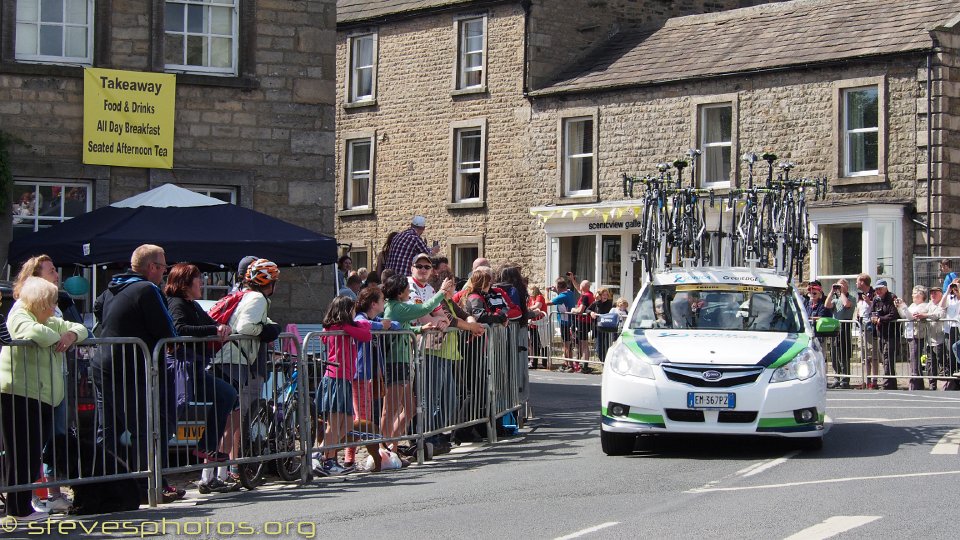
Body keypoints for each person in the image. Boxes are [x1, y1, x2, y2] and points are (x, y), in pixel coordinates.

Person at [92, 244, 182, 502]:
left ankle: (105, 487)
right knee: (144, 427)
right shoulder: (147, 289)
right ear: (152, 267)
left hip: (104, 363)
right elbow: (167, 331)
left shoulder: (113, 287)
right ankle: (148, 486)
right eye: (164, 267)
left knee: (106, 429)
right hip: (130, 366)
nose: (165, 272)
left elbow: (99, 309)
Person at [1, 277, 86, 521]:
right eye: (50, 302)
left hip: (43, 395)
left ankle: (22, 505)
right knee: (21, 453)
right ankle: (18, 508)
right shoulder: (20, 314)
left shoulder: (47, 318)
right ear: (39, 301)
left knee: (32, 452)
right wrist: (59, 337)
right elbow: (31, 332)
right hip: (19, 392)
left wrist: (69, 335)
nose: (53, 307)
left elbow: (80, 329)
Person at [163, 264, 240, 493]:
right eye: (198, 280)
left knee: (227, 394)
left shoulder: (192, 304)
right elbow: (179, 328)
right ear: (186, 283)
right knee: (170, 419)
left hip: (193, 369)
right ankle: (156, 474)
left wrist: (219, 328)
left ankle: (206, 446)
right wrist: (213, 330)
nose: (202, 283)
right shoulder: (176, 303)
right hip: (179, 369)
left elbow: (210, 322)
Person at [209, 258, 282, 488]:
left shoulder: (246, 295)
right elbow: (246, 327)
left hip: (228, 359)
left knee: (226, 420)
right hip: (235, 361)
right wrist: (267, 330)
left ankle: (215, 475)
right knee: (229, 421)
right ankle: (214, 475)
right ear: (268, 283)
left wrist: (270, 325)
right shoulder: (258, 298)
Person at [382, 274, 455, 461]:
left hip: (403, 361)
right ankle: (383, 450)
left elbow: (401, 327)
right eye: (407, 288)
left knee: (411, 406)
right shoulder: (397, 306)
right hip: (395, 362)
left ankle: (393, 445)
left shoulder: (397, 307)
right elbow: (424, 308)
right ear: (400, 293)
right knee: (390, 409)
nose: (409, 290)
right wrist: (441, 292)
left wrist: (418, 330)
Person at [343, 287, 400, 471]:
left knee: (365, 417)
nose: (384, 303)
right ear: (373, 304)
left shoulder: (373, 319)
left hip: (372, 374)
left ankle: (369, 454)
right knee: (362, 419)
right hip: (360, 374)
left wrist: (386, 324)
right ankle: (349, 458)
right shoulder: (361, 318)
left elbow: (395, 325)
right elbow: (360, 325)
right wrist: (381, 325)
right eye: (382, 300)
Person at [315, 296, 371, 476]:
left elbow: (364, 330)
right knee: (334, 423)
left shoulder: (341, 327)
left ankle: (319, 453)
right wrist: (353, 325)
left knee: (346, 424)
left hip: (344, 378)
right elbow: (366, 334)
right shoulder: (341, 327)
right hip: (336, 378)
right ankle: (327, 460)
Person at [896, 286, 942, 391]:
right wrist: (899, 307)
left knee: (915, 361)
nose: (912, 295)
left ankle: (915, 385)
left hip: (917, 335)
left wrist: (903, 305)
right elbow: (904, 315)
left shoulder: (923, 306)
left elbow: (911, 317)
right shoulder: (912, 305)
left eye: (915, 293)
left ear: (921, 295)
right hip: (909, 334)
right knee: (912, 360)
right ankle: (917, 384)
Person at [870, 280, 899, 390]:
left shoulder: (892, 298)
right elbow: (872, 313)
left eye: (880, 289)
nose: (878, 291)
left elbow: (893, 314)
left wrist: (880, 319)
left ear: (886, 288)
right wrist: (873, 318)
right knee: (883, 357)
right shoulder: (876, 299)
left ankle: (888, 383)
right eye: (876, 289)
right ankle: (890, 382)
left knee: (888, 357)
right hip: (880, 333)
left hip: (891, 333)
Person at [828, 279, 856, 389]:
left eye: (842, 285)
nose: (839, 287)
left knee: (844, 355)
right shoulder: (835, 298)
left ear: (847, 287)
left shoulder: (851, 297)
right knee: (834, 354)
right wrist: (831, 292)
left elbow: (846, 304)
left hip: (845, 327)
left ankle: (845, 379)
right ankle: (836, 378)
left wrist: (842, 293)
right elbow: (827, 305)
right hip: (835, 328)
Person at [854, 273, 879, 389]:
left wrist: (869, 301)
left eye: (857, 281)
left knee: (872, 355)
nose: (856, 283)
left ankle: (874, 380)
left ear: (863, 282)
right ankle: (865, 379)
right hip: (862, 327)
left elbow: (877, 308)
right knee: (864, 355)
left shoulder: (874, 294)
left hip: (870, 327)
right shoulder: (860, 295)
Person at [548, 278, 578, 371]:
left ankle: (568, 364)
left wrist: (546, 292)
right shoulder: (570, 293)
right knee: (568, 343)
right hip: (570, 320)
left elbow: (547, 303)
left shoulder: (562, 296)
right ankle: (568, 362)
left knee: (566, 343)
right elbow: (562, 300)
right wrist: (557, 291)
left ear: (558, 287)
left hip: (565, 321)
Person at [587, 288, 615, 368]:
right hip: (597, 328)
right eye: (603, 295)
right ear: (599, 295)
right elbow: (587, 309)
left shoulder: (610, 304)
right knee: (598, 348)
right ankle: (603, 362)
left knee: (606, 346)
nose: (605, 296)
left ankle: (606, 364)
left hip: (606, 328)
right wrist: (591, 312)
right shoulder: (596, 303)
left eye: (606, 295)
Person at [527, 285, 548, 368]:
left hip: (541, 323)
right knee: (533, 343)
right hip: (533, 323)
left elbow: (537, 306)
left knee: (543, 343)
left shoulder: (539, 297)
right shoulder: (531, 299)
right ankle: (534, 362)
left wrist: (528, 309)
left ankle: (544, 362)